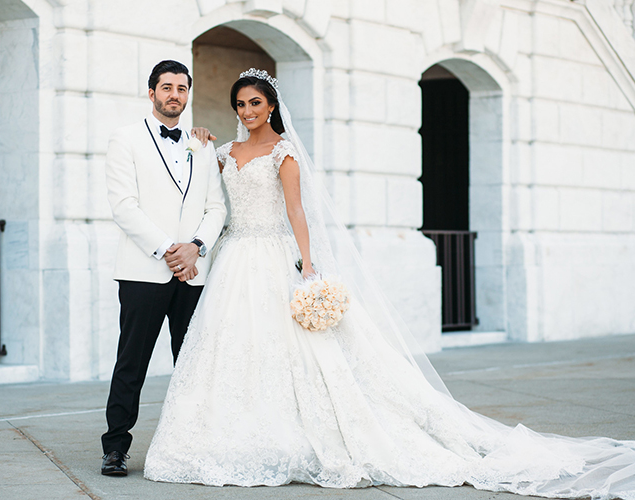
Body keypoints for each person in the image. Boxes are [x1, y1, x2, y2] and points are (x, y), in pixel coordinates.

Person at [143, 69, 635, 499]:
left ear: (271, 105)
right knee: (233, 351)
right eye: (240, 105)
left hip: (274, 255)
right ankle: (233, 436)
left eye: (255, 103)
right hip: (234, 260)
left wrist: (308, 267)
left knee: (297, 355)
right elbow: (203, 183)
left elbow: (296, 212)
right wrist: (200, 137)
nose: (247, 111)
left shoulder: (283, 153)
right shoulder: (224, 152)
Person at [100, 60, 226, 476]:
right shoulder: (125, 139)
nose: (174, 94)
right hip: (143, 271)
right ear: (151, 92)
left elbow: (216, 207)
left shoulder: (202, 145)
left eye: (182, 88)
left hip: (194, 273)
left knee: (191, 363)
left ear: (188, 94)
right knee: (131, 362)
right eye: (166, 87)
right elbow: (124, 206)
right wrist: (167, 251)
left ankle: (194, 443)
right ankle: (116, 447)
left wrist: (195, 248)